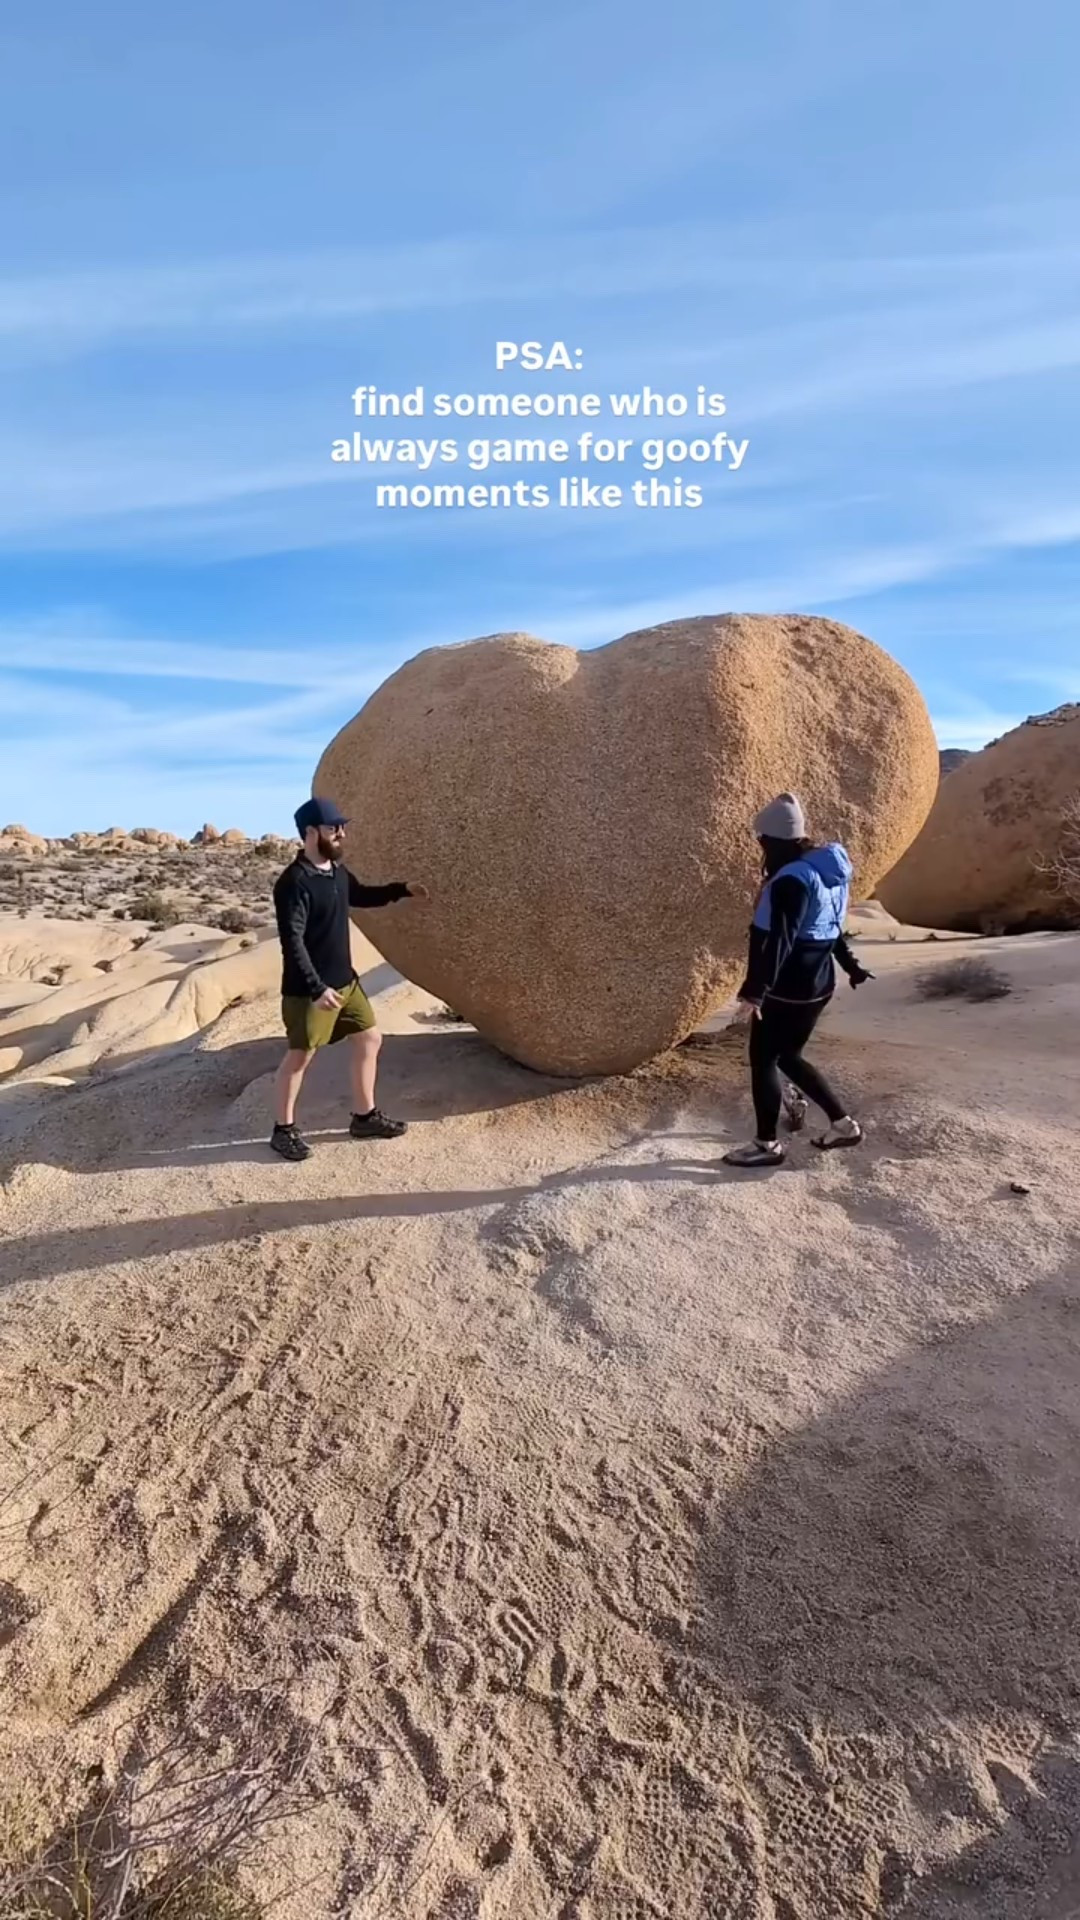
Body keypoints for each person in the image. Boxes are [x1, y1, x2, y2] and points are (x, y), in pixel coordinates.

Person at [270, 796, 429, 1162]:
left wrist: (401, 890)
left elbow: (360, 895)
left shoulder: (336, 872)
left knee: (370, 1038)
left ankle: (364, 1117)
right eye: (333, 828)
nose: (341, 833)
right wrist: (316, 987)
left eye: (342, 827)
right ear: (310, 833)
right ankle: (283, 1130)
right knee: (300, 1056)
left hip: (345, 982)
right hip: (310, 991)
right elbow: (292, 941)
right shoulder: (293, 883)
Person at [722, 793, 873, 1169]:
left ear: (774, 841)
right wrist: (851, 966)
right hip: (817, 983)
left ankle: (766, 1144)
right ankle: (843, 1124)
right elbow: (831, 928)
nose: (760, 848)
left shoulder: (792, 881)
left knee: (763, 1060)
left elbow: (781, 940)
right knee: (788, 1056)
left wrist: (756, 991)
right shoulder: (826, 874)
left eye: (762, 841)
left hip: (787, 989)